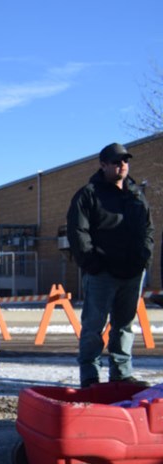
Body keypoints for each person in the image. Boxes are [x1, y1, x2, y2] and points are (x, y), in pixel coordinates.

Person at [66, 142, 154, 388]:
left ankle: (121, 373)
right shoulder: (89, 195)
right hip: (101, 272)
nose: (122, 165)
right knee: (94, 325)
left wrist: (144, 257)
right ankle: (90, 376)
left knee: (124, 325)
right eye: (116, 161)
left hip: (132, 272)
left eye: (125, 161)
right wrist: (91, 263)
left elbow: (148, 229)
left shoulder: (136, 195)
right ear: (103, 165)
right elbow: (77, 231)